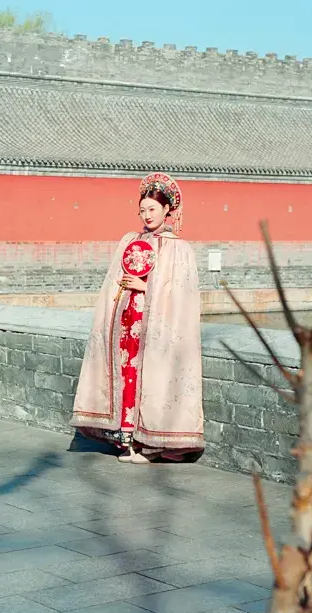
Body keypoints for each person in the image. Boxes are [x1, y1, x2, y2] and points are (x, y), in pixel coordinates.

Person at [70, 172, 204, 463]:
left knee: (152, 380)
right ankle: (129, 440)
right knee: (128, 375)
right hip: (129, 320)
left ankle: (152, 445)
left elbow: (181, 295)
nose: (146, 215)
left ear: (167, 209)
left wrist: (146, 287)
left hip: (156, 324)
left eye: (152, 209)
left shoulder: (178, 249)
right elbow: (114, 280)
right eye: (142, 210)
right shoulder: (131, 240)